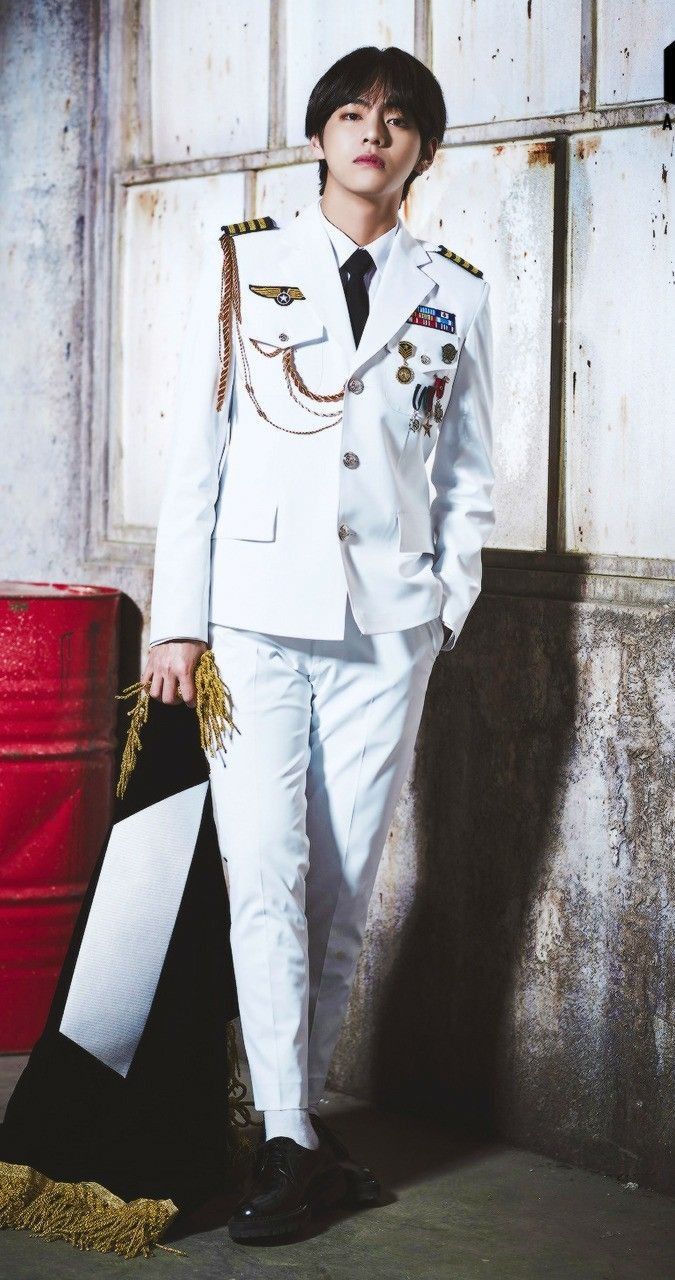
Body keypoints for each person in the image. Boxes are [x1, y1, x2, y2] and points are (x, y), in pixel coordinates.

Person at [143, 44, 495, 1243]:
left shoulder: (454, 291)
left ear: (421, 150)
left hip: (388, 629)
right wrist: (177, 618)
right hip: (254, 620)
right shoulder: (249, 261)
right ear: (319, 137)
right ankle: (290, 1131)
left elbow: (468, 473)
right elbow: (198, 446)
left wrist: (445, 605)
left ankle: (292, 1115)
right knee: (263, 867)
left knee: (342, 887)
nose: (372, 134)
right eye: (352, 113)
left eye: (396, 120)